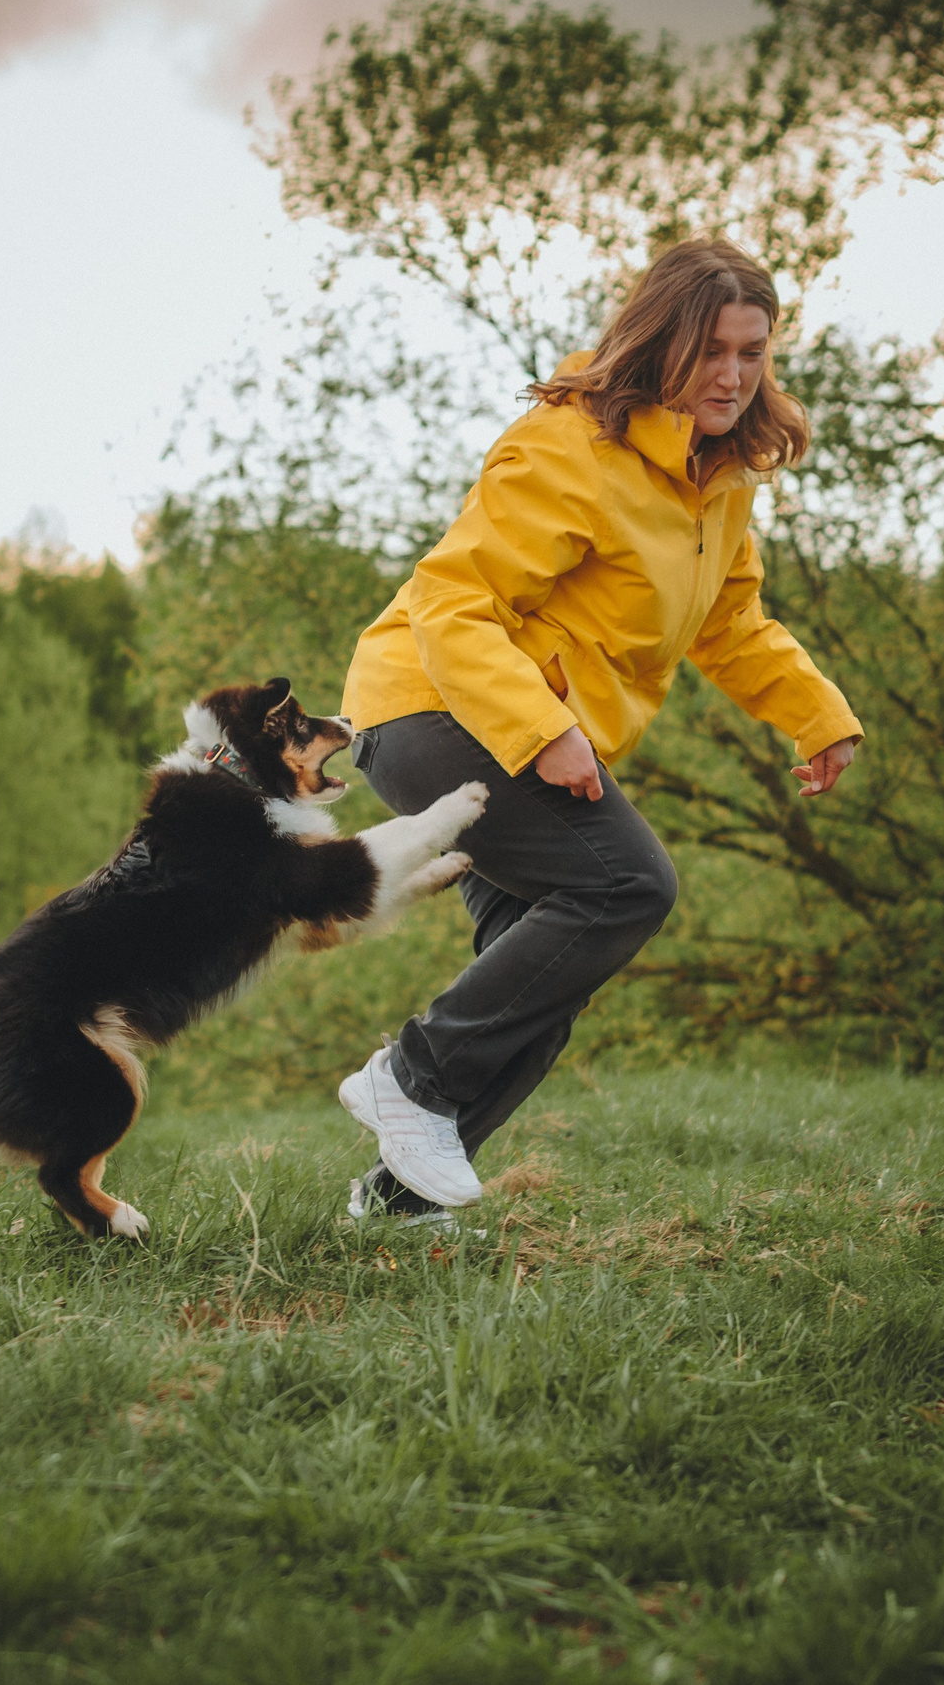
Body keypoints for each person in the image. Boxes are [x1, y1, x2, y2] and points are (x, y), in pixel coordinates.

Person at [335, 237, 863, 1225]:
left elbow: (729, 622)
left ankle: (400, 1204)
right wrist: (541, 734)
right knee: (626, 885)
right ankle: (411, 1074)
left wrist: (814, 714)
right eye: (711, 349)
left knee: (548, 974)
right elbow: (454, 605)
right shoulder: (567, 445)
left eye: (752, 352)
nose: (733, 374)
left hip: (512, 722)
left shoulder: (717, 478)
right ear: (659, 340)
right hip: (433, 708)